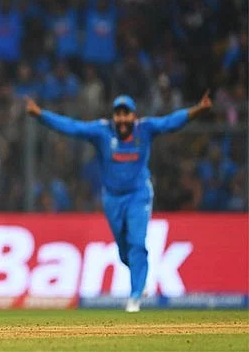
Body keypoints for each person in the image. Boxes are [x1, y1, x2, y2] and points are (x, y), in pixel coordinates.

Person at [25, 90, 213, 312]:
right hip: (112, 199)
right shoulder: (102, 131)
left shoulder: (145, 129)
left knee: (136, 242)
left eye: (126, 114)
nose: (122, 119)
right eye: (118, 114)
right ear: (114, 116)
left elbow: (171, 122)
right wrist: (41, 115)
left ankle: (135, 296)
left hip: (138, 195)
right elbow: (72, 127)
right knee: (124, 252)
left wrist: (197, 110)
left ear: (134, 116)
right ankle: (139, 277)